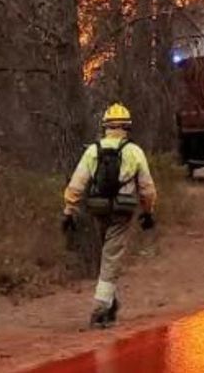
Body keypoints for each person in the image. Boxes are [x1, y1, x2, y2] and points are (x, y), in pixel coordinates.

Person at [62, 102, 158, 329]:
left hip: (98, 209)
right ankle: (101, 308)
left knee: (107, 253)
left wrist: (69, 210)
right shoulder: (134, 151)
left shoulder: (92, 151)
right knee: (111, 257)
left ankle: (111, 305)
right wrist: (148, 211)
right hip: (123, 210)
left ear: (105, 126)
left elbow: (77, 183)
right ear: (127, 127)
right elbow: (147, 188)